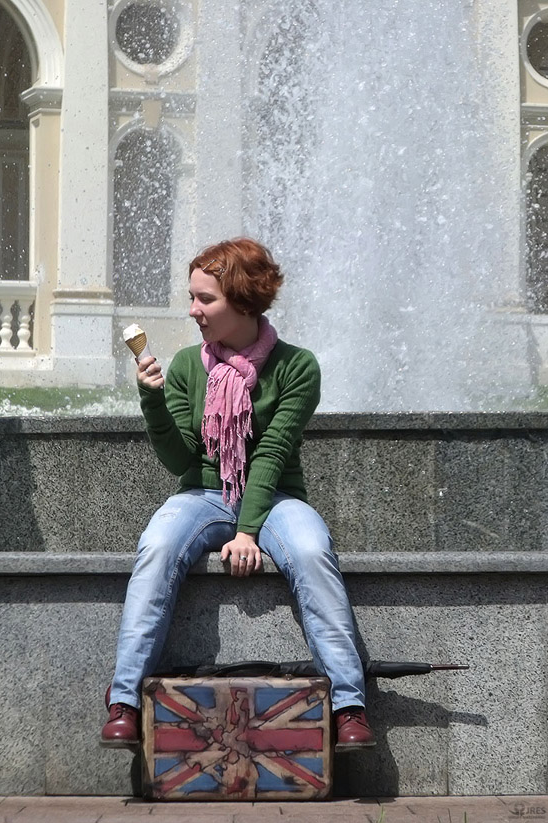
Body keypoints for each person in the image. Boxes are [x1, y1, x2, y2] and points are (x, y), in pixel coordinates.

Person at [100, 237, 374, 751]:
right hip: (203, 494)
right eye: (192, 297)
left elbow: (271, 454)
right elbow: (181, 461)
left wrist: (247, 531)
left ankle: (349, 707)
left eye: (205, 299)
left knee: (312, 551)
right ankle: (125, 701)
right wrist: (152, 399)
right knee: (157, 546)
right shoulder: (188, 365)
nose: (193, 310)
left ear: (244, 301)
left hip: (274, 497)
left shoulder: (297, 367)